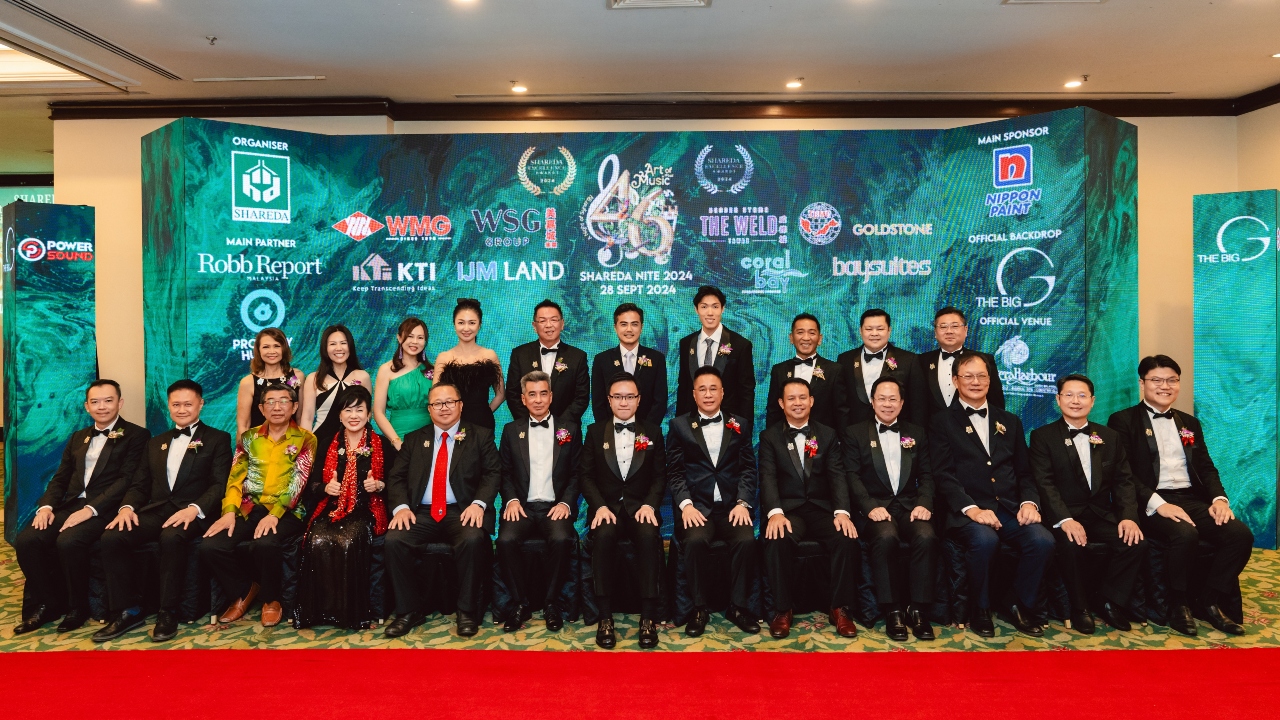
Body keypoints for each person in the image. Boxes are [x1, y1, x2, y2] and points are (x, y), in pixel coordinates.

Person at [1107, 355, 1253, 636]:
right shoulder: (1123, 420)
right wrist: (1159, 504)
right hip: (1150, 502)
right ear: (1142, 383)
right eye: (1157, 380)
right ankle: (1178, 604)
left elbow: (1206, 466)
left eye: (1172, 380)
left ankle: (1208, 601)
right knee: (1185, 534)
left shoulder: (1189, 423)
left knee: (1240, 535)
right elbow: (1123, 474)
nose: (1165, 386)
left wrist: (1219, 500)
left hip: (1190, 498)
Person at [94, 380, 232, 643]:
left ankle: (167, 612)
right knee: (112, 536)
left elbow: (219, 484)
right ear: (169, 406)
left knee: (171, 536)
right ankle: (126, 610)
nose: (181, 410)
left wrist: (194, 509)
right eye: (176, 405)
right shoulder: (156, 442)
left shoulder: (217, 439)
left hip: (194, 513)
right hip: (158, 510)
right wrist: (126, 508)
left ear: (201, 404)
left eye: (188, 404)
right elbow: (140, 484)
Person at [12, 379, 149, 635]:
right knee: (28, 539)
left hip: (106, 508)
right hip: (72, 504)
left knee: (69, 541)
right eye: (95, 402)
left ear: (119, 403)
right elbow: (61, 477)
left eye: (108, 401)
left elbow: (127, 480)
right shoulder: (78, 437)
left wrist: (91, 510)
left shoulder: (136, 435)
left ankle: (78, 607)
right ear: (86, 406)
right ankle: (47, 604)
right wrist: (46, 507)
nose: (102, 407)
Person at [930, 354, 1053, 638]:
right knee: (985, 541)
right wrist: (971, 509)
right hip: (967, 512)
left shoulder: (1009, 420)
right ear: (955, 381)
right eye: (968, 376)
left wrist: (1029, 503)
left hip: (1009, 508)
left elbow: (1024, 472)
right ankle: (980, 609)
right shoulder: (942, 422)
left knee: (1042, 540)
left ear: (990, 379)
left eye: (982, 376)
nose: (976, 382)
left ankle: (1018, 603)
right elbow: (943, 475)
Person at [383, 382, 501, 639]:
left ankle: (467, 611)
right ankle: (408, 611)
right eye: (437, 403)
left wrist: (478, 504)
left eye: (449, 402)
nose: (444, 408)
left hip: (462, 510)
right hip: (421, 512)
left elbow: (493, 473)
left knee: (472, 539)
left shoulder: (480, 435)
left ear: (460, 405)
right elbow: (396, 478)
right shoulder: (414, 439)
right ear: (429, 408)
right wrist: (401, 508)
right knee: (394, 541)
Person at [1030, 373, 1145, 635]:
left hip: (1101, 515)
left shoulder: (1109, 436)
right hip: (1065, 516)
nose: (1076, 401)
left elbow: (1124, 481)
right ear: (1058, 400)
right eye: (1069, 395)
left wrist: (1128, 516)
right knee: (1071, 545)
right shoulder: (1042, 436)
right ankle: (1079, 608)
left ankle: (1109, 601)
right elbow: (1044, 483)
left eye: (1082, 396)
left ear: (1092, 401)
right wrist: (1065, 519)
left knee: (1135, 542)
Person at [200, 384, 317, 629]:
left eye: (284, 401)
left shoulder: (306, 439)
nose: (277, 407)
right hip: (249, 507)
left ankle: (271, 600)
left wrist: (275, 515)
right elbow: (235, 477)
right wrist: (229, 512)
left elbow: (299, 482)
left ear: (294, 407)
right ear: (261, 408)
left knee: (265, 543)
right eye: (270, 402)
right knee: (211, 545)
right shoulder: (249, 437)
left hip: (288, 510)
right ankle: (244, 591)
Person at [759, 378, 860, 640]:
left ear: (812, 401)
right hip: (789, 510)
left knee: (845, 537)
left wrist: (842, 512)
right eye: (791, 398)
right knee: (777, 537)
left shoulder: (827, 434)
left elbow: (837, 475)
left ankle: (839, 608)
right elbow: (767, 477)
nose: (797, 403)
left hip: (820, 508)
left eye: (802, 397)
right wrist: (775, 513)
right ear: (781, 404)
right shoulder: (769, 437)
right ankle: (783, 610)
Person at [666, 366, 759, 636]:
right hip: (697, 507)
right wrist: (686, 505)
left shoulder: (739, 423)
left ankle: (738, 607)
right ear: (694, 395)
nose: (708, 394)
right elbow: (675, 471)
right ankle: (698, 608)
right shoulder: (679, 425)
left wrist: (743, 502)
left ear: (722, 393)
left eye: (713, 389)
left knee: (746, 540)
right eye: (702, 390)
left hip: (731, 508)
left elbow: (748, 469)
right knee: (694, 541)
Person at [843, 376, 938, 641]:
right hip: (875, 508)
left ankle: (918, 609)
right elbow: (851, 476)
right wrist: (869, 506)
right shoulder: (855, 433)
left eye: (893, 398)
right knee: (885, 537)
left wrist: (924, 503)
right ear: (872, 402)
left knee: (926, 535)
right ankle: (892, 609)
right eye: (881, 398)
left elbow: (928, 475)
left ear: (902, 402)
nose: (887, 404)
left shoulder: (916, 432)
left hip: (909, 506)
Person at [293, 385, 394, 630]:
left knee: (348, 540)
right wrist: (325, 488)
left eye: (360, 410)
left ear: (369, 415)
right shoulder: (327, 444)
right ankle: (321, 611)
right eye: (348, 410)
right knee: (316, 539)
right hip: (332, 508)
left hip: (366, 509)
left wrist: (380, 485)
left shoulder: (382, 444)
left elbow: (397, 482)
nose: (354, 415)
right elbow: (311, 484)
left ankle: (351, 612)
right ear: (339, 415)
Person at [579, 372, 667, 649]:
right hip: (608, 509)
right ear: (609, 400)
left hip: (641, 508)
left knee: (648, 537)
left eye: (630, 397)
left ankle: (648, 618)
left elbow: (659, 476)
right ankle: (605, 618)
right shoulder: (595, 432)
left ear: (639, 400)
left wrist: (650, 505)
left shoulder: (653, 431)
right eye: (618, 397)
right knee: (602, 537)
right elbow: (586, 476)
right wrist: (600, 506)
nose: (624, 402)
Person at [496, 371, 581, 633]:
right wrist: (510, 500)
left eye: (543, 393)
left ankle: (552, 603)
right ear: (523, 399)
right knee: (505, 540)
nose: (538, 399)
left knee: (562, 539)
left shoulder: (570, 429)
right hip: (522, 507)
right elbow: (505, 472)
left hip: (554, 506)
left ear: (551, 396)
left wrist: (566, 503)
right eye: (532, 394)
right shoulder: (511, 431)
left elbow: (578, 473)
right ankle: (520, 603)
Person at [675, 286, 756, 435]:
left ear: (723, 309)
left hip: (729, 427)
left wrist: (744, 429)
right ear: (696, 309)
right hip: (692, 427)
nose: (710, 312)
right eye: (704, 307)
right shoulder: (686, 343)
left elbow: (746, 391)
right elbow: (684, 387)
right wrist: (680, 428)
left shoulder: (740, 345)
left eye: (715, 306)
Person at [836, 308, 926, 428]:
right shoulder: (845, 359)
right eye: (869, 329)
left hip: (898, 432)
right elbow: (841, 403)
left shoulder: (909, 360)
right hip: (855, 435)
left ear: (889, 330)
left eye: (880, 329)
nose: (874, 333)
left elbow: (917, 405)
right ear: (860, 331)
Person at [505, 299, 590, 424]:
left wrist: (558, 425)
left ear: (562, 324)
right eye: (543, 321)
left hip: (565, 430)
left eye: (554, 320)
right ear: (534, 326)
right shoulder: (520, 354)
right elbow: (513, 393)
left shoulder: (577, 356)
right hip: (528, 428)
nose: (548, 325)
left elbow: (581, 397)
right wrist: (530, 422)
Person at [917, 306, 1005, 423]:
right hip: (933, 434)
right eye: (943, 327)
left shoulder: (983, 360)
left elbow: (996, 402)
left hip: (972, 433)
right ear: (935, 332)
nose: (949, 331)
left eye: (955, 326)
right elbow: (916, 404)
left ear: (966, 330)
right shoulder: (921, 361)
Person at [766, 313, 849, 433]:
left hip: (825, 443)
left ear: (820, 339)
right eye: (800, 332)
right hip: (787, 441)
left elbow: (841, 412)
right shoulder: (779, 370)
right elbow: (773, 411)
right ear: (791, 338)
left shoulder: (834, 370)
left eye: (811, 333)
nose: (806, 338)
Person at [591, 302, 668, 427]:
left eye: (634, 324)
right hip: (611, 432)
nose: (629, 329)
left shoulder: (656, 358)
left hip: (647, 434)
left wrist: (646, 432)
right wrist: (608, 431)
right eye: (623, 324)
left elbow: (660, 401)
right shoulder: (602, 360)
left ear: (641, 327)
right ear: (615, 327)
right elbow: (598, 403)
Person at [434, 298, 505, 431]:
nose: (466, 328)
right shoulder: (443, 357)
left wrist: (485, 412)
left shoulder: (489, 355)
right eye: (461, 323)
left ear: (479, 325)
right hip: (451, 424)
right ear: (454, 324)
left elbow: (501, 394)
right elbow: (435, 396)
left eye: (472, 323)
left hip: (483, 423)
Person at [300, 324, 372, 451]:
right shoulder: (313, 378)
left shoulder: (363, 376)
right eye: (333, 344)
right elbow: (307, 417)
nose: (339, 348)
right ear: (325, 348)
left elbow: (367, 415)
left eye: (343, 343)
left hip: (355, 445)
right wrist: (306, 450)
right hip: (321, 443)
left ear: (350, 346)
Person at [373, 317, 433, 450]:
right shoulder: (386, 370)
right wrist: (396, 442)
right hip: (399, 436)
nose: (415, 342)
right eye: (410, 336)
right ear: (399, 338)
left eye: (420, 337)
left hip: (430, 437)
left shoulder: (432, 370)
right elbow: (378, 412)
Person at [235, 328, 305, 439]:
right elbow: (243, 425)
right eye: (266, 347)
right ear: (258, 350)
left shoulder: (297, 376)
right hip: (258, 446)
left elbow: (300, 417)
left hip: (291, 446)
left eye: (276, 346)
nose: (272, 351)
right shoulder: (248, 382)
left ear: (284, 348)